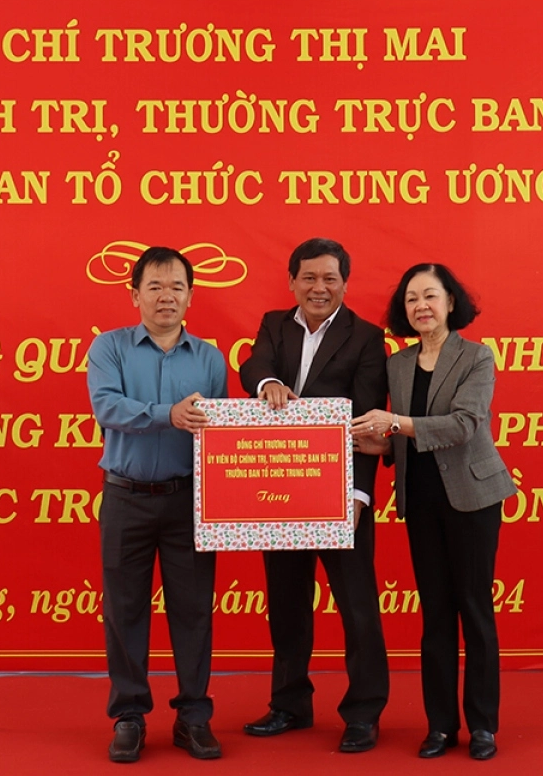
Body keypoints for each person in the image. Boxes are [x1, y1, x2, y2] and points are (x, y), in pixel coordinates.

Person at [351, 263, 516, 761]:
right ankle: (440, 726)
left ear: (450, 303)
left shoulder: (476, 357)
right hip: (421, 500)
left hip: (472, 499)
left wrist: (395, 423)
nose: (420, 306)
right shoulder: (398, 364)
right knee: (435, 614)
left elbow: (463, 425)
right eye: (411, 299)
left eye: (430, 296)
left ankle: (482, 726)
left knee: (474, 609)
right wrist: (370, 440)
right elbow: (400, 436)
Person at [239, 237, 390, 753]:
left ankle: (363, 713)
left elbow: (368, 421)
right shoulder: (273, 324)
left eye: (329, 278)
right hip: (281, 490)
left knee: (358, 608)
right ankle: (289, 704)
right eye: (309, 277)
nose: (318, 287)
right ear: (292, 282)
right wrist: (267, 382)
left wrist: (359, 496)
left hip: (340, 494)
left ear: (345, 284)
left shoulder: (366, 338)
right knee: (286, 603)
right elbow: (253, 365)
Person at [87, 246, 229, 763]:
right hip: (126, 497)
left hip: (188, 499)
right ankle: (129, 715)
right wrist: (168, 414)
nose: (166, 296)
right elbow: (107, 407)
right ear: (135, 295)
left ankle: (193, 717)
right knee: (124, 610)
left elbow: (220, 434)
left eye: (176, 287)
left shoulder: (210, 358)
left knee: (193, 611)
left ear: (191, 296)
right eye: (155, 287)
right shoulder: (109, 347)